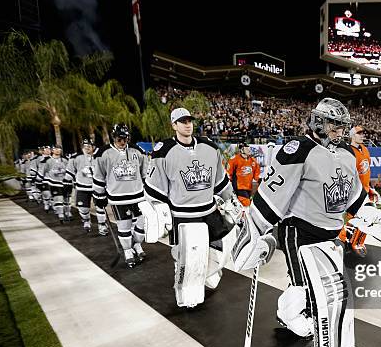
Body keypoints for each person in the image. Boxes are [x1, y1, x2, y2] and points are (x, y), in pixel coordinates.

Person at [232, 98, 381, 347]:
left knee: (322, 291)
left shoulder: (346, 155)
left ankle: (288, 314)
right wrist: (251, 236)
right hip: (300, 233)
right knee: (328, 297)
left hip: (330, 236)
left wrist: (377, 219)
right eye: (334, 124)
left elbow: (354, 198)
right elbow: (270, 197)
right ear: (318, 123)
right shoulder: (298, 150)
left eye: (342, 126)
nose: (340, 131)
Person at [142, 107, 240, 308]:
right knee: (184, 256)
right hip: (182, 215)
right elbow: (154, 187)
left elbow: (220, 181)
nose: (187, 124)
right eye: (182, 121)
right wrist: (158, 212)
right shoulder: (164, 150)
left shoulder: (209, 147)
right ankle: (186, 293)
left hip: (209, 211)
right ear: (174, 125)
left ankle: (207, 273)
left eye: (189, 120)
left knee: (220, 249)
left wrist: (231, 200)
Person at [93, 124, 147, 268]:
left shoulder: (137, 150)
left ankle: (137, 245)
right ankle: (128, 250)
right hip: (118, 197)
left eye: (125, 138)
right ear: (114, 137)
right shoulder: (103, 153)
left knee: (142, 226)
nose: (123, 141)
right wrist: (99, 195)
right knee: (125, 227)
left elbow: (145, 173)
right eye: (119, 138)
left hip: (138, 196)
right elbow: (99, 176)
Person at [338, 125, 380, 257]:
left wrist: (371, 188)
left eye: (363, 133)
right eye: (359, 133)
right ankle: (346, 240)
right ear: (352, 135)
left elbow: (367, 171)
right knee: (355, 219)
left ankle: (357, 242)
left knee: (365, 218)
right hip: (354, 191)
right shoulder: (348, 151)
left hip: (365, 189)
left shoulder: (365, 150)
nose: (362, 135)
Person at [64, 138, 108, 235]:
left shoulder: (100, 156)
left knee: (100, 207)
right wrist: (67, 181)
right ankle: (86, 220)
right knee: (83, 208)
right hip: (82, 187)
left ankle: (102, 225)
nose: (87, 148)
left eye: (89, 145)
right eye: (85, 146)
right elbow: (70, 170)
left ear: (93, 146)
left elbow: (106, 170)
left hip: (97, 187)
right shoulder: (76, 157)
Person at [39, 144, 70, 222]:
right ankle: (61, 214)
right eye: (56, 149)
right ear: (52, 150)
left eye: (59, 149)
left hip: (65, 183)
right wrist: (40, 180)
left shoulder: (65, 160)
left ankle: (67, 212)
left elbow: (69, 170)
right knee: (58, 198)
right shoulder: (48, 161)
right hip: (54, 183)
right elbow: (43, 171)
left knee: (66, 199)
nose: (57, 150)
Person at [227, 142, 261, 207]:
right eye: (246, 148)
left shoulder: (253, 160)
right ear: (242, 150)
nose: (249, 149)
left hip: (249, 188)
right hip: (239, 188)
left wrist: (258, 181)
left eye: (248, 147)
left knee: (248, 206)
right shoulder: (234, 159)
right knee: (247, 206)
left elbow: (257, 174)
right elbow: (229, 174)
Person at [34, 145, 53, 212]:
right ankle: (46, 204)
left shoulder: (53, 158)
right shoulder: (39, 159)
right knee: (46, 193)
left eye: (49, 149)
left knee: (52, 193)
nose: (48, 151)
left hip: (53, 179)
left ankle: (51, 204)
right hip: (44, 178)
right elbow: (37, 168)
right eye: (46, 150)